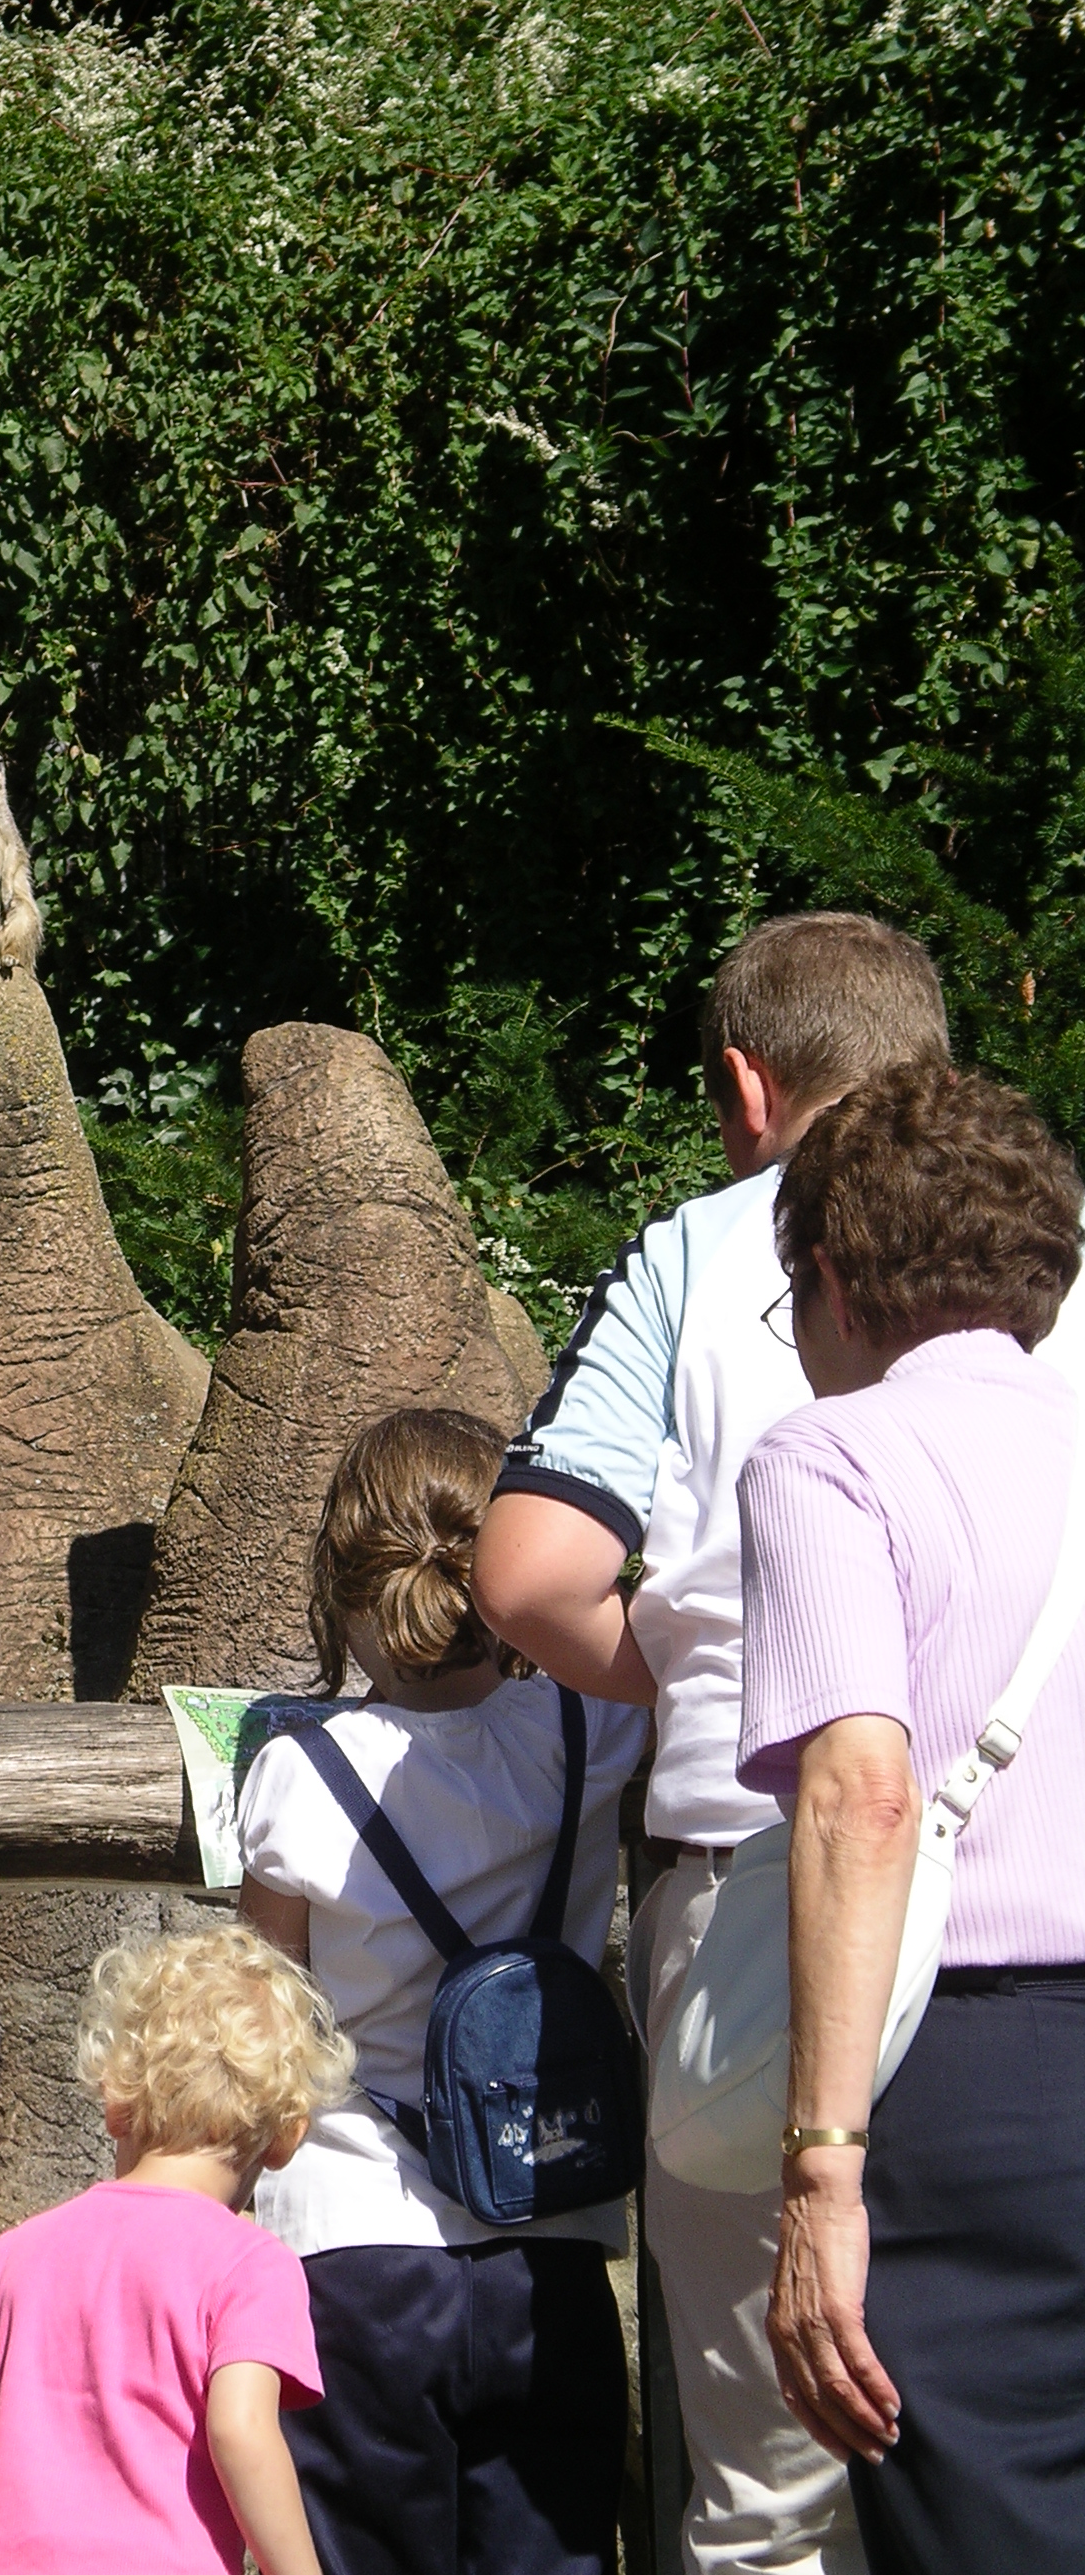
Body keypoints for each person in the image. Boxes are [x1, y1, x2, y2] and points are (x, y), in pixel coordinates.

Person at [472, 912, 985, 2575]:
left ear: (747, 1087)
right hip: (1026, 1918)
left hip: (754, 1910)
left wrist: (709, 1674)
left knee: (769, 2502)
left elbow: (526, 1574)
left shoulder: (696, 1252)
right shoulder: (1050, 1263)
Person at [737, 1064, 1085, 2575]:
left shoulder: (831, 1459)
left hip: (976, 2085)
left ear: (830, 1277)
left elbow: (862, 1797)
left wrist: (821, 2167)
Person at [236, 1407, 647, 2575]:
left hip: (354, 2248)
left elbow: (268, 2010)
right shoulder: (587, 1730)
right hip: (549, 2239)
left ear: (344, 1583)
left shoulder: (296, 1772)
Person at [0, 1922, 345, 2575]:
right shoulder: (251, 2266)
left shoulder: (16, 2252)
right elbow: (240, 2430)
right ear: (285, 2137)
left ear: (115, 2099)